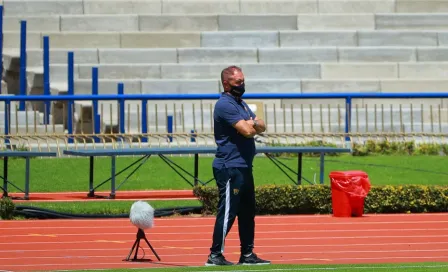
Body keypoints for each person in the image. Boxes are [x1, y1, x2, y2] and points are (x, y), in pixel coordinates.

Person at [205, 66, 271, 266]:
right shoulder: (225, 104)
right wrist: (251, 124)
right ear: (226, 83)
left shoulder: (240, 103)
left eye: (242, 81)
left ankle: (247, 254)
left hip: (243, 165)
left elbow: (262, 125)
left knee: (247, 212)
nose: (241, 85)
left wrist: (254, 123)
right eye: (237, 82)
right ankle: (215, 255)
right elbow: (247, 130)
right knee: (228, 212)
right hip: (229, 166)